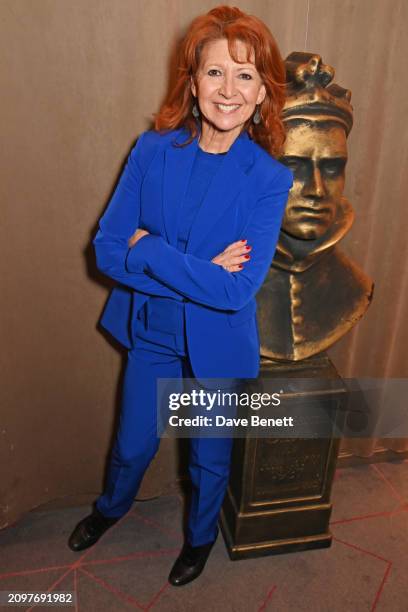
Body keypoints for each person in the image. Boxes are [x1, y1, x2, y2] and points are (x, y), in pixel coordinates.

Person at [68, 5, 293, 586]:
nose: (228, 90)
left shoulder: (270, 180)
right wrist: (198, 268)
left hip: (219, 345)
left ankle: (197, 541)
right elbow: (108, 250)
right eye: (215, 72)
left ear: (263, 94)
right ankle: (109, 509)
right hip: (153, 331)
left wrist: (156, 250)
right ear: (192, 83)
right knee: (133, 444)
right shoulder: (151, 150)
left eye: (246, 76)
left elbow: (237, 288)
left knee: (208, 457)